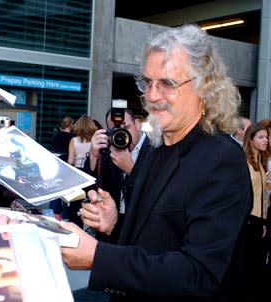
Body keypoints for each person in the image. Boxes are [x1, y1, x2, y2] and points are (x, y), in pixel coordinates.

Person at [61, 24, 252, 302]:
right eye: (147, 83)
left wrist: (98, 257)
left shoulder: (221, 160)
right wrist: (115, 224)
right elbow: (155, 236)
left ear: (204, 88)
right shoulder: (155, 146)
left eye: (167, 83)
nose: (151, 96)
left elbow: (198, 274)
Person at [82, 108, 150, 241]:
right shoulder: (108, 150)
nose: (121, 133)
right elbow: (90, 189)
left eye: (126, 127)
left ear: (138, 124)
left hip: (140, 229)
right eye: (114, 129)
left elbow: (155, 191)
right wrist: (93, 157)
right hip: (112, 228)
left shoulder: (155, 148)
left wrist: (131, 168)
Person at [243, 123, 270, 302]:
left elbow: (263, 194)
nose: (266, 140)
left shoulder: (261, 162)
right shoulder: (244, 162)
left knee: (258, 267)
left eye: (266, 137)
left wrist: (264, 221)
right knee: (248, 268)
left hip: (260, 221)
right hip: (248, 221)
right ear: (251, 140)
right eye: (261, 137)